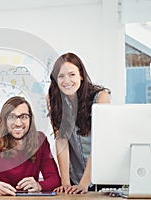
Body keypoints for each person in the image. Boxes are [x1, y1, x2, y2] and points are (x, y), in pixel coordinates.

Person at [46, 52, 111, 194]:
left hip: (102, 179)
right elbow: (61, 140)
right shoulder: (53, 98)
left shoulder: (100, 97)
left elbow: (99, 143)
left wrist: (84, 184)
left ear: (81, 75)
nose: (66, 80)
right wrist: (66, 183)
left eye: (72, 74)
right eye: (61, 76)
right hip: (75, 179)